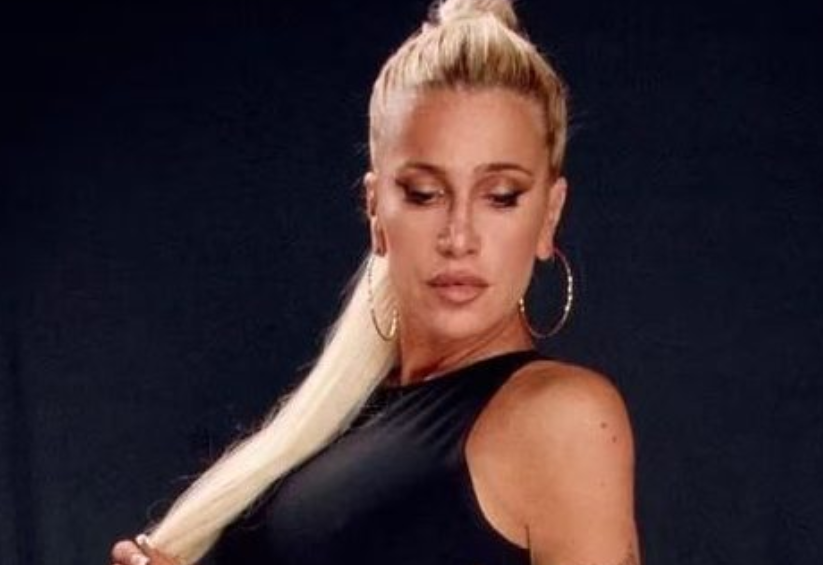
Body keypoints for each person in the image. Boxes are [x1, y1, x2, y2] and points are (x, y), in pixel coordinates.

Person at [110, 0, 639, 563]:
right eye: (424, 194)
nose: (459, 237)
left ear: (550, 215)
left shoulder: (564, 419)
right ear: (374, 209)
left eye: (501, 196)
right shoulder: (333, 420)